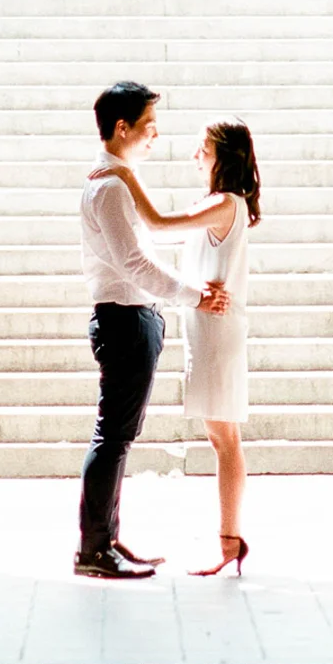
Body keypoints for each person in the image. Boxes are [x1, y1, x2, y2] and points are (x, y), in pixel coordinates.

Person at [75, 81, 229, 580]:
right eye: (149, 127)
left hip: (133, 317)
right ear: (123, 129)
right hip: (123, 320)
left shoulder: (116, 181)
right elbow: (136, 264)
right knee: (113, 438)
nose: (155, 137)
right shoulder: (112, 187)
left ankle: (107, 542)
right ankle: (95, 550)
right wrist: (194, 294)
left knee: (118, 436)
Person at [101, 118, 260, 577]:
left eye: (202, 150)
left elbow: (157, 223)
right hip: (207, 328)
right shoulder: (218, 204)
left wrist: (125, 174)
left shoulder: (226, 202)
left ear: (222, 156)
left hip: (218, 332)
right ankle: (230, 540)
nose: (196, 156)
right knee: (220, 436)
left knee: (225, 438)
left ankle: (230, 540)